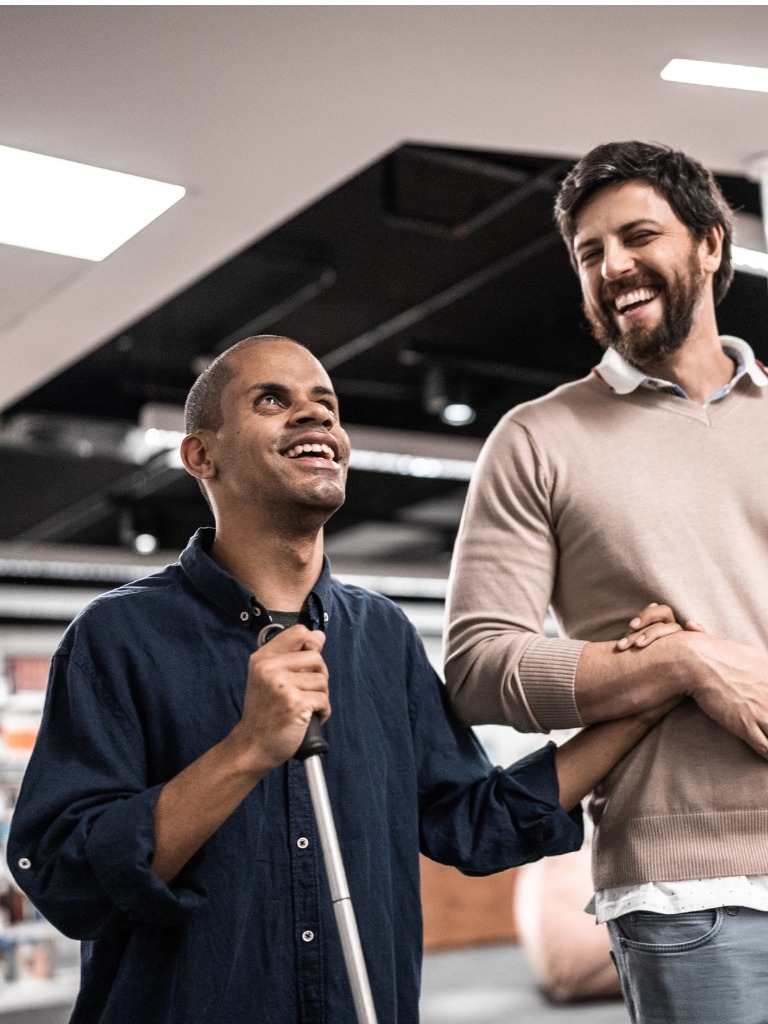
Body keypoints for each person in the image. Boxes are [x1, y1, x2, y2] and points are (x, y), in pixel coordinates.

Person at [8, 335, 673, 1024]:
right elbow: (67, 881)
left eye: (326, 404)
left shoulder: (381, 637)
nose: (316, 417)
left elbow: (473, 824)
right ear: (201, 455)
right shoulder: (116, 639)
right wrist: (249, 748)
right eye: (272, 400)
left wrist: (643, 696)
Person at [444, 140, 768, 1024]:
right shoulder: (537, 440)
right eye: (589, 253)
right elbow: (477, 668)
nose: (612, 265)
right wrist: (684, 664)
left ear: (709, 243)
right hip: (690, 893)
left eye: (636, 236)